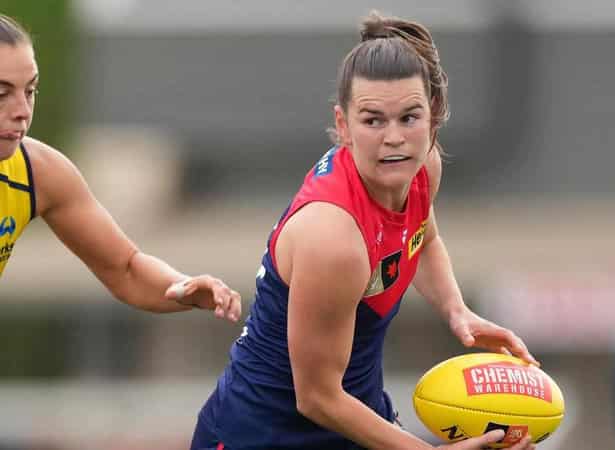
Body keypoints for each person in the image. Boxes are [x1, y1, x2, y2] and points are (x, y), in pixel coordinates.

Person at [191, 11, 538, 450]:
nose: (394, 138)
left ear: (433, 116)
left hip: (356, 418)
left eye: (409, 118)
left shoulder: (421, 169)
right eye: (373, 121)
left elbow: (422, 237)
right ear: (343, 126)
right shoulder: (333, 239)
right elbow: (316, 397)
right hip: (263, 435)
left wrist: (456, 310)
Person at [0, 15, 241, 322]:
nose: (21, 111)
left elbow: (126, 269)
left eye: (30, 91)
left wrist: (182, 286)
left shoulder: (39, 172)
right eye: (1, 93)